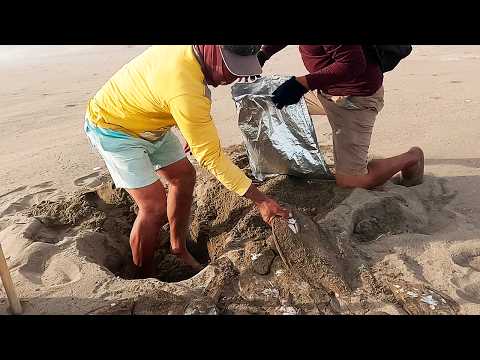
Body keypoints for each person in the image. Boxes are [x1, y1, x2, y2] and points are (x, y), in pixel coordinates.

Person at [84, 45, 289, 277]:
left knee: (184, 177)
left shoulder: (192, 64)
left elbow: (165, 90)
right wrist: (261, 201)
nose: (230, 78)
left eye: (239, 69)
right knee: (154, 207)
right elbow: (212, 157)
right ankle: (145, 274)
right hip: (113, 126)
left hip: (151, 118)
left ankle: (178, 246)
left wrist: (190, 127)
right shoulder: (186, 90)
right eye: (229, 67)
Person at [257, 45, 424, 190]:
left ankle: (412, 157)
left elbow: (353, 64)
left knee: (351, 181)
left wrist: (301, 84)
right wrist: (264, 54)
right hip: (324, 90)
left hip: (354, 99)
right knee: (265, 100)